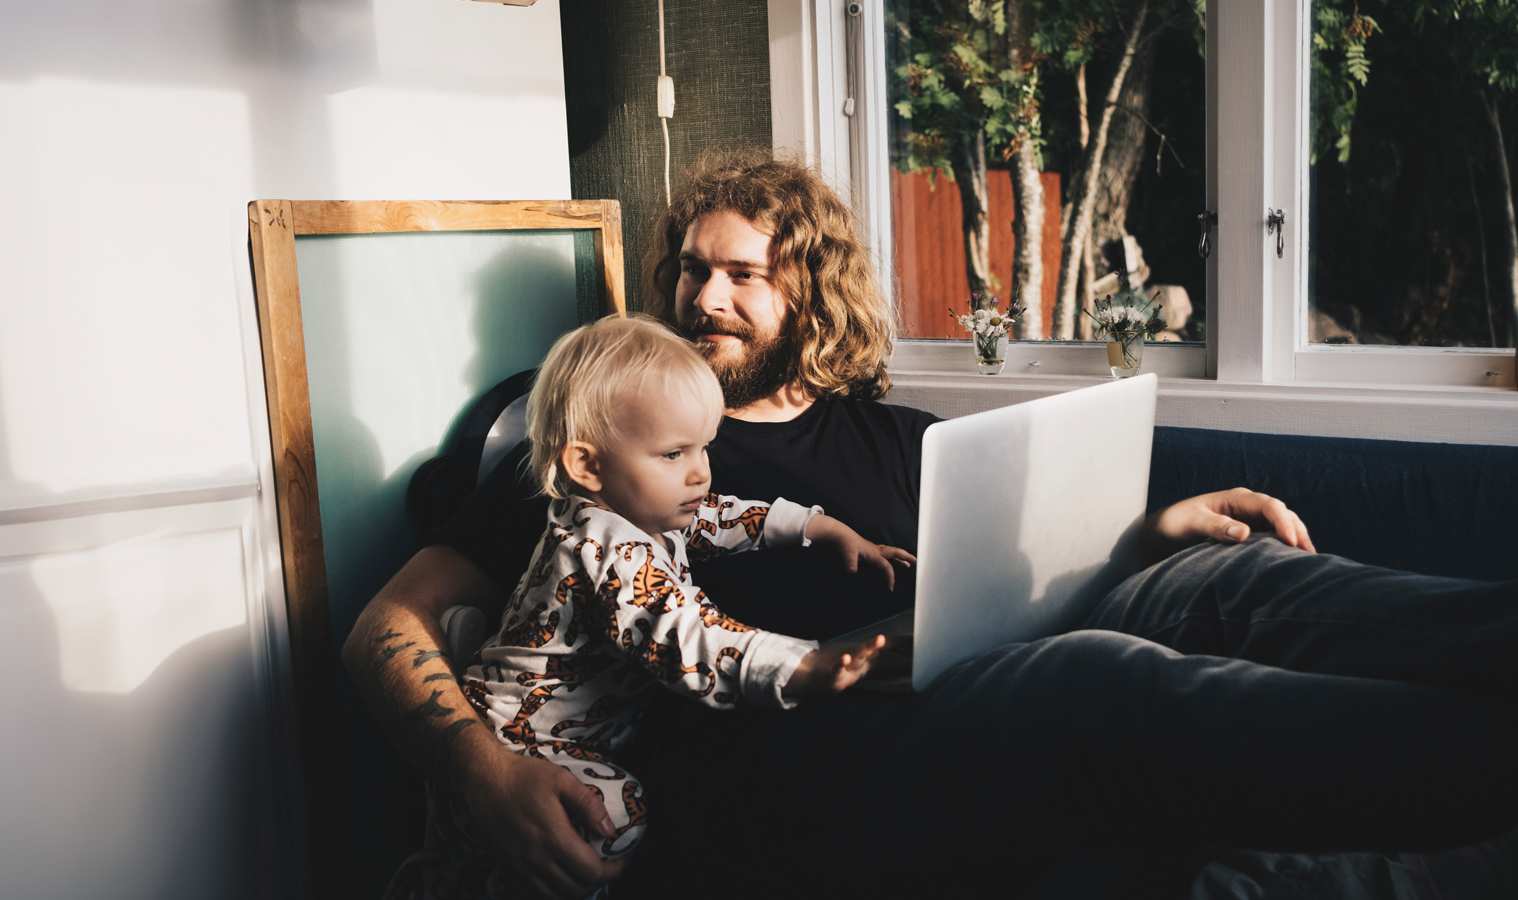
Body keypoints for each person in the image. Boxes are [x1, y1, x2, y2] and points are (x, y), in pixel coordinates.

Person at [347, 153, 1518, 900]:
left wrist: (1152, 532)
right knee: (1098, 681)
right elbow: (383, 626)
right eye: (695, 271)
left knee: (1227, 582)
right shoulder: (613, 452)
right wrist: (483, 768)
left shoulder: (897, 437)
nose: (706, 298)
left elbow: (1005, 581)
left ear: (807, 287)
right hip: (815, 752)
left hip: (958, 659)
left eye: (744, 275)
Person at [432, 314, 908, 896]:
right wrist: (802, 664)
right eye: (674, 454)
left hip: (557, 727)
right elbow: (690, 638)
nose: (701, 473)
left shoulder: (639, 511)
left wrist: (817, 526)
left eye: (704, 448)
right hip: (527, 743)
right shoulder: (608, 551)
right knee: (620, 818)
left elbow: (723, 517)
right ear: (587, 465)